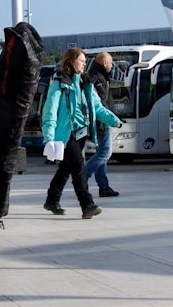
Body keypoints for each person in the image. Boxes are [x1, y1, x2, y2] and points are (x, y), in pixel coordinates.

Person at [41, 48, 123, 219]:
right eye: (82, 61)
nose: (85, 64)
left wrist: (114, 120)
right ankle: (87, 204)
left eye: (85, 61)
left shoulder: (85, 83)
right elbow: (50, 111)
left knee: (65, 169)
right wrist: (49, 138)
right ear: (71, 61)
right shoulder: (59, 83)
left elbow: (97, 107)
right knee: (78, 167)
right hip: (65, 134)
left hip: (80, 133)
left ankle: (52, 199)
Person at [84, 52, 120, 197]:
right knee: (105, 153)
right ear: (105, 63)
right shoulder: (96, 78)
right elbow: (99, 104)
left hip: (102, 121)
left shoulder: (98, 76)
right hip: (101, 121)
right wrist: (109, 119)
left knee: (102, 154)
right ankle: (82, 177)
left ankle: (103, 186)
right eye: (111, 63)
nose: (112, 66)